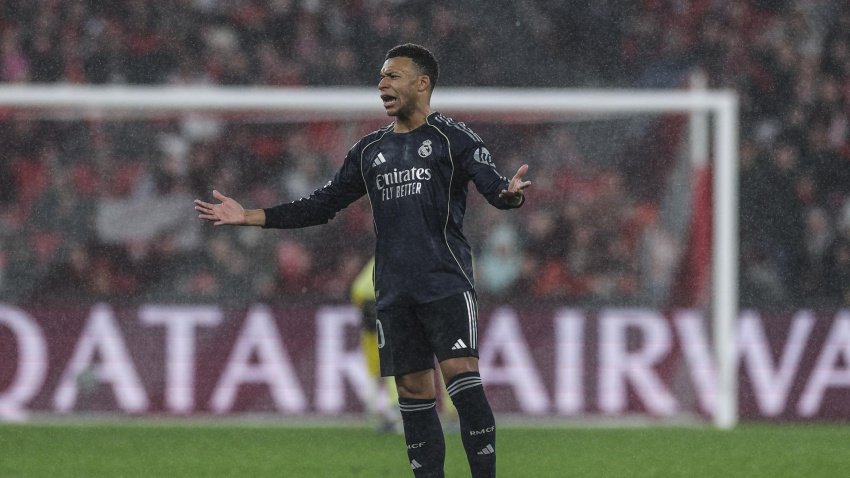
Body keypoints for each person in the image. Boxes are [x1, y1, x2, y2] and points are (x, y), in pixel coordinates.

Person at [194, 43, 530, 478]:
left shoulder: (454, 138)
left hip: (445, 280)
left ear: (422, 83)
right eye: (381, 76)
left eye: (393, 75)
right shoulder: (370, 150)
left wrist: (508, 196)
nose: (382, 84)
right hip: (392, 289)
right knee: (412, 392)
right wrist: (252, 216)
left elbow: (493, 186)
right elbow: (322, 204)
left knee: (462, 382)